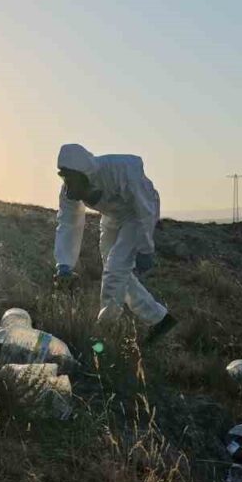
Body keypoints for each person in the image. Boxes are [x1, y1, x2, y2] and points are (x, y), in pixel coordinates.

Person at [54, 143, 177, 345]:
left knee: (115, 269)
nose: (68, 185)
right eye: (63, 177)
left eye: (70, 178)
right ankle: (160, 319)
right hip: (112, 216)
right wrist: (64, 264)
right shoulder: (69, 189)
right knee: (117, 271)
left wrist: (146, 247)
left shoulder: (121, 170)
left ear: (85, 174)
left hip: (138, 213)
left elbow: (144, 206)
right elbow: (68, 222)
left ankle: (104, 330)